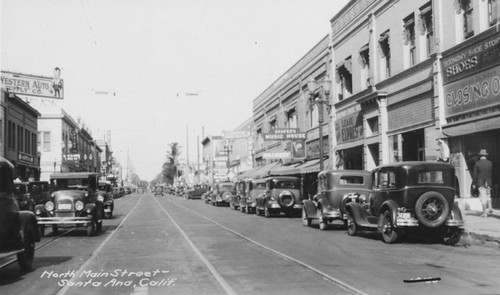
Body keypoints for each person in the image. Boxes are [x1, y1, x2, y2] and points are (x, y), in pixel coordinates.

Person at [473, 149, 494, 217]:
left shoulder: (477, 163)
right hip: (489, 182)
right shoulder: (490, 163)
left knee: (483, 197)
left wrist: (474, 183)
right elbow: (493, 173)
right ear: (486, 156)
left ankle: (485, 212)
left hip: (481, 182)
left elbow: (475, 175)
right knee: (488, 195)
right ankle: (490, 207)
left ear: (480, 156)